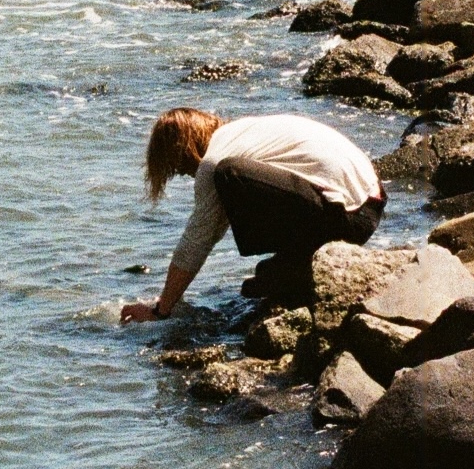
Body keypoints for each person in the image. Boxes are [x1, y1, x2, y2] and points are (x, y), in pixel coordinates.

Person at [120, 108, 385, 323]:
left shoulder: (214, 162)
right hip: (372, 199)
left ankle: (298, 260)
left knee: (228, 174)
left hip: (348, 218)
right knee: (262, 281)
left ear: (185, 151)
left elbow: (198, 239)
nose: (186, 174)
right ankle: (295, 261)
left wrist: (160, 310)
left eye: (180, 168)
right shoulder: (244, 131)